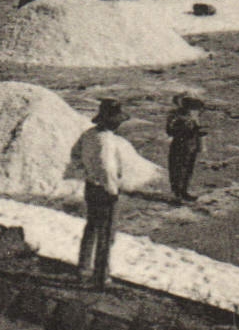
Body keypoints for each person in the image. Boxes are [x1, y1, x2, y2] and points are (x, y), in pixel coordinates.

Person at [67, 99, 147, 290]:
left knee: (92, 227)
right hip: (104, 190)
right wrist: (112, 190)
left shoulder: (88, 135)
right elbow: (107, 168)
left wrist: (87, 173)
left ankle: (83, 268)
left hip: (91, 186)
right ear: (112, 121)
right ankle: (101, 277)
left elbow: (75, 155)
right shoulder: (107, 141)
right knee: (106, 233)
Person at [164, 95, 206, 203]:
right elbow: (170, 130)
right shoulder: (175, 115)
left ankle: (183, 191)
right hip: (180, 145)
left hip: (191, 145)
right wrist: (187, 129)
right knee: (178, 169)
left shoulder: (192, 115)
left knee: (188, 169)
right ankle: (177, 194)